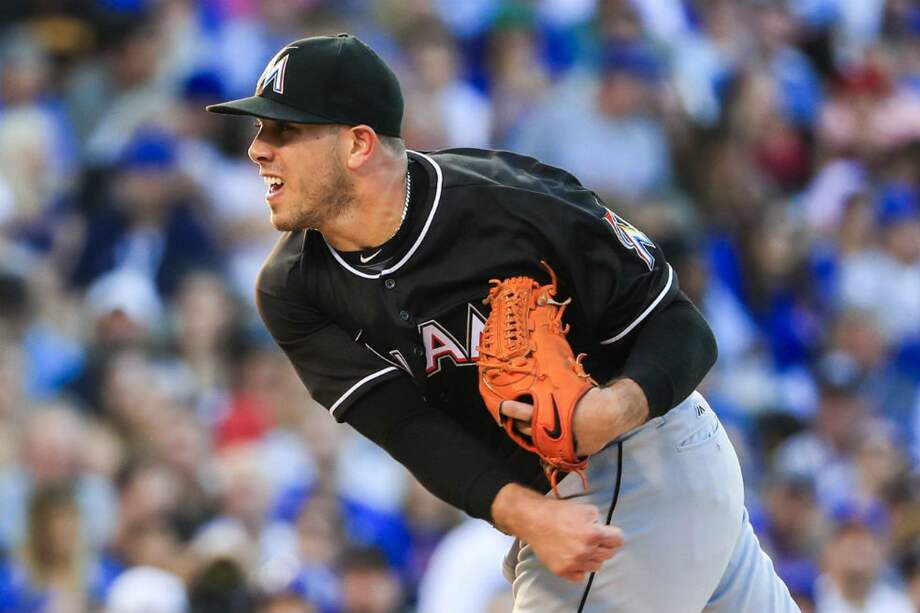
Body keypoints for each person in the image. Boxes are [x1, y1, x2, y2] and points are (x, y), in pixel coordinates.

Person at [206, 34, 799, 613]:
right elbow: (410, 430)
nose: (258, 148)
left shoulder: (514, 203)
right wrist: (528, 514)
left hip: (643, 455)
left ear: (359, 144)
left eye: (283, 131)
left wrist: (609, 410)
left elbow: (682, 328)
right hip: (574, 495)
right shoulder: (293, 290)